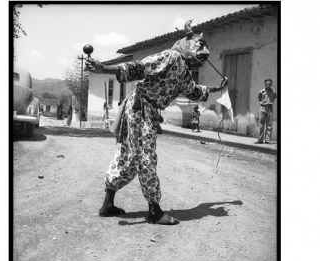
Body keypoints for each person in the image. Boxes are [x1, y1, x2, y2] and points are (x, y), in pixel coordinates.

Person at [85, 20, 228, 225]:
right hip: (140, 109)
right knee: (145, 157)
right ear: (188, 46)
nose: (203, 57)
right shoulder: (171, 57)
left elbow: (195, 91)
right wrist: (104, 68)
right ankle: (154, 210)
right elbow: (140, 68)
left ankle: (108, 204)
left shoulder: (185, 73)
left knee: (127, 156)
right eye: (200, 50)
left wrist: (217, 89)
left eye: (205, 56)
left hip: (145, 111)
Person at [255, 79, 277, 144]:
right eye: (267, 84)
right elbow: (259, 98)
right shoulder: (261, 92)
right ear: (264, 84)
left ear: (271, 84)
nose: (268, 85)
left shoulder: (273, 92)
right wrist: (263, 103)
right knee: (261, 124)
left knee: (269, 125)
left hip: (270, 108)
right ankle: (260, 140)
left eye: (269, 84)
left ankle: (267, 140)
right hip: (262, 108)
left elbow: (274, 97)